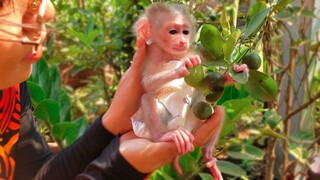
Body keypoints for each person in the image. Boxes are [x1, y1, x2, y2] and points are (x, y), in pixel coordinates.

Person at [0, 0, 224, 179]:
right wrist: (119, 167)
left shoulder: (10, 91)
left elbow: (34, 174)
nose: (48, 10)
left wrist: (111, 124)